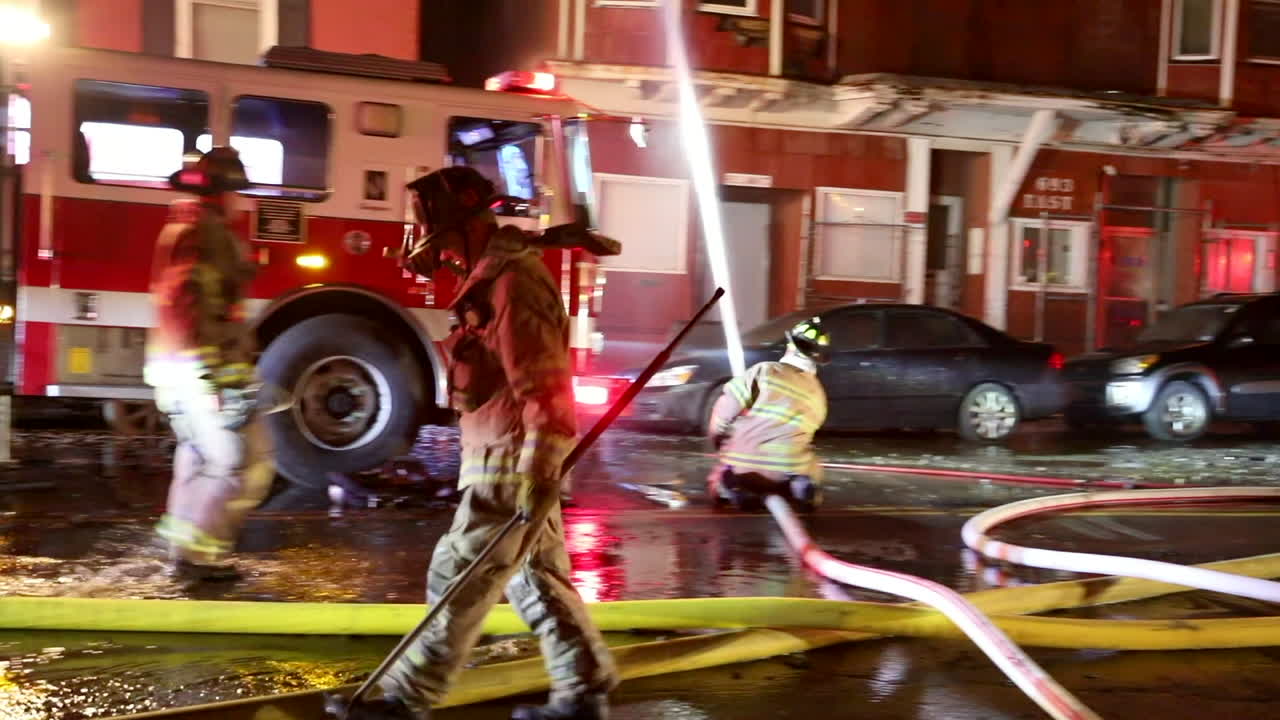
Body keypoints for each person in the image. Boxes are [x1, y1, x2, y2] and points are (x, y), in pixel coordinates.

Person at [333, 167, 617, 720]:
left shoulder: (512, 284)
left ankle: (404, 700)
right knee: (535, 576)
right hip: (498, 450)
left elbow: (545, 387)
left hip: (513, 459)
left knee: (459, 571)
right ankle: (583, 691)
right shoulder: (491, 277)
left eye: (438, 234)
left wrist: (539, 471)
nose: (434, 249)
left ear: (466, 222)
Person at [145, 147, 274, 583]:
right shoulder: (205, 233)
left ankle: (181, 550)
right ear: (223, 193)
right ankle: (196, 558)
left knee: (197, 457)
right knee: (236, 463)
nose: (243, 202)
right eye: (238, 192)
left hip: (179, 370)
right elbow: (189, 306)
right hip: (200, 371)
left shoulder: (184, 226)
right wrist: (208, 377)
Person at [706, 316, 831, 512]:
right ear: (818, 358)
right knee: (811, 464)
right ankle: (799, 486)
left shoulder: (765, 371)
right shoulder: (819, 395)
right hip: (787, 469)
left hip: (744, 465)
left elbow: (724, 411)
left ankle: (730, 487)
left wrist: (717, 438)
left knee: (719, 476)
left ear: (790, 346)